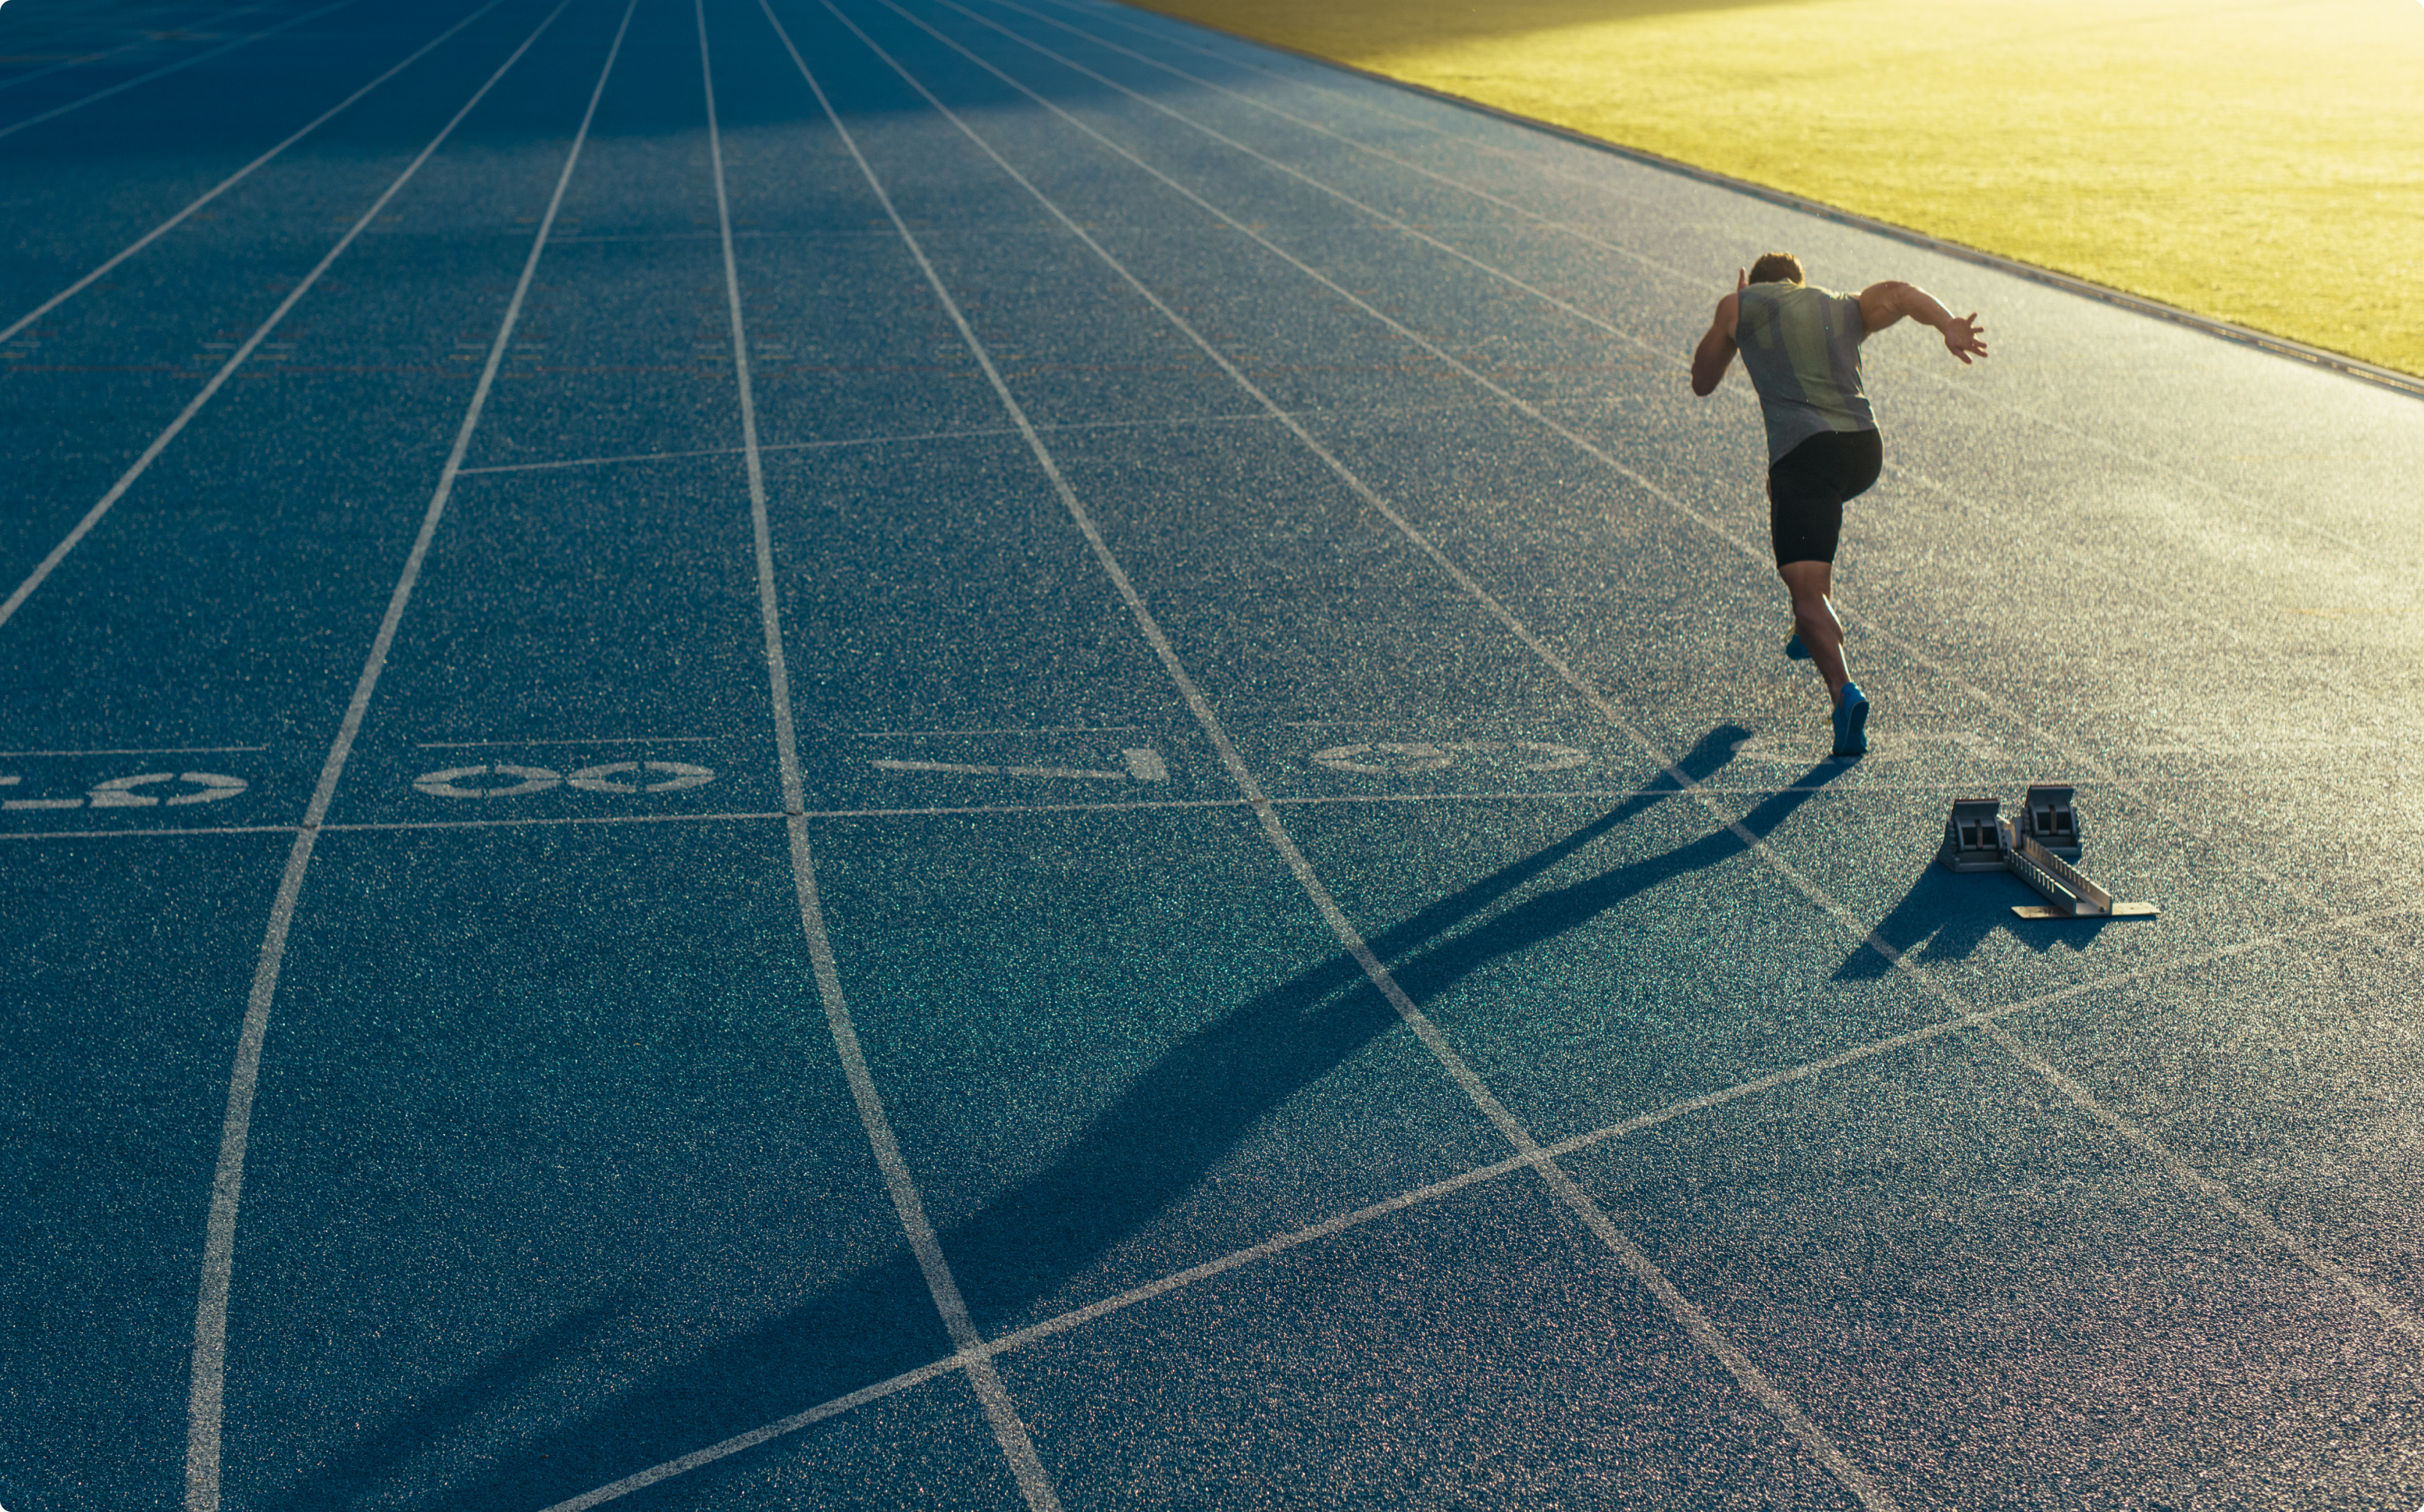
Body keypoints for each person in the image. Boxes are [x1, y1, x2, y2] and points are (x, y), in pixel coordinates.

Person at [1689, 253, 1988, 755]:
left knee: (1806, 592)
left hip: (1807, 455)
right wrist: (1948, 324)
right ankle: (1808, 627)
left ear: (1757, 285)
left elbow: (1702, 380)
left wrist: (1734, 315)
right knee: (1789, 502)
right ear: (1798, 284)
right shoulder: (1840, 304)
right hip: (1862, 450)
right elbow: (1900, 292)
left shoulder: (1741, 304)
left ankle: (1843, 691)